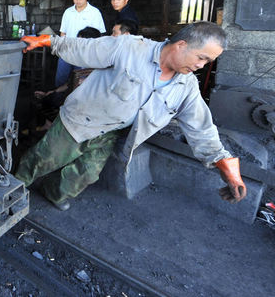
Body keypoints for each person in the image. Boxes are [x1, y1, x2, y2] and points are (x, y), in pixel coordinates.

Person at [16, 21, 247, 211]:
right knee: (44, 159)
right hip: (80, 118)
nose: (201, 66)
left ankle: (52, 192)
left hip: (110, 131)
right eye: (202, 58)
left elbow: (201, 128)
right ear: (181, 45)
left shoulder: (186, 86)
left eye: (207, 62)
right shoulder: (131, 48)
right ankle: (13, 187)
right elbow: (84, 48)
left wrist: (224, 165)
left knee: (86, 173)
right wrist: (46, 41)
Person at [55, 0, 106, 87]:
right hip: (67, 51)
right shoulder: (68, 12)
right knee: (61, 79)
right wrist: (61, 50)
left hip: (85, 54)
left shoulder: (94, 13)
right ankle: (57, 101)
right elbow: (62, 33)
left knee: (80, 82)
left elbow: (99, 36)